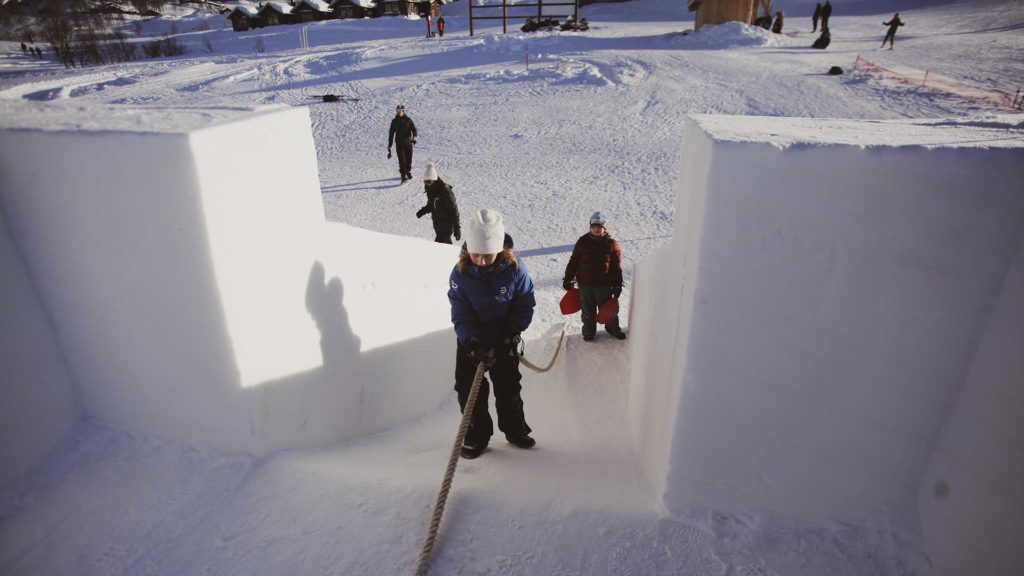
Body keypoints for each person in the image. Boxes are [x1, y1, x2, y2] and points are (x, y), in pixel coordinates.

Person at [448, 208, 537, 459]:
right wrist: (472, 340)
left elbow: (525, 302)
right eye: (477, 255)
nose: (483, 261)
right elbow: (460, 311)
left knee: (508, 385)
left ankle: (514, 429)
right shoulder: (460, 273)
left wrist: (512, 331)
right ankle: (477, 435)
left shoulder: (514, 269)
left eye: (489, 255)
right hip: (473, 337)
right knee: (468, 387)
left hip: (504, 333)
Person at [562, 211, 626, 342]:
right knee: (587, 311)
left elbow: (616, 267)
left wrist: (618, 284)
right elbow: (573, 261)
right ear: (590, 227)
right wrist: (568, 278)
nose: (596, 229)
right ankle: (588, 332)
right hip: (585, 285)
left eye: (600, 227)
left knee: (608, 310)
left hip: (604, 285)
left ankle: (613, 329)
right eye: (594, 226)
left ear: (604, 228)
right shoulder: (582, 242)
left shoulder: (611, 244)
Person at [416, 162, 461, 244]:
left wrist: (457, 227)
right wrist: (423, 211)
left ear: (434, 180)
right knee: (444, 245)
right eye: (425, 181)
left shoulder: (445, 191)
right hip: (438, 225)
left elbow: (453, 209)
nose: (427, 184)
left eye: (428, 182)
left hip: (447, 225)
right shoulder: (430, 190)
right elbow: (431, 205)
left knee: (439, 245)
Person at [387, 104, 417, 182]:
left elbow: (414, 130)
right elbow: (391, 133)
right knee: (402, 161)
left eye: (400, 110)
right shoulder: (394, 121)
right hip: (399, 144)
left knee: (409, 160)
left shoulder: (408, 120)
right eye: (397, 110)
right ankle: (403, 175)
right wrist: (390, 145)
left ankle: (408, 171)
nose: (398, 112)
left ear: (403, 111)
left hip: (408, 144)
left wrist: (414, 138)